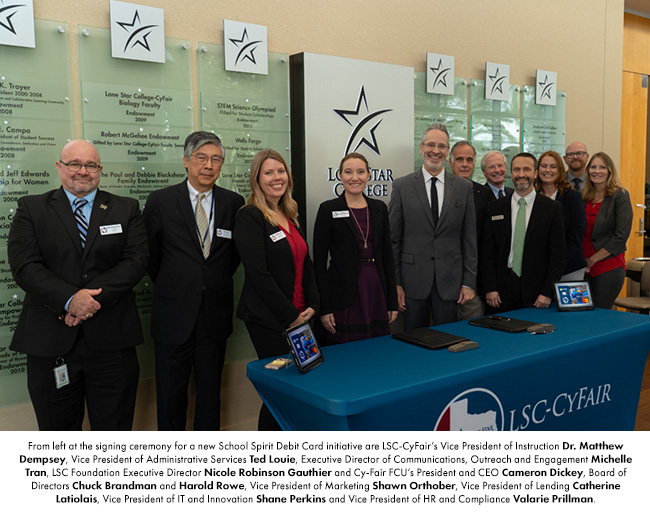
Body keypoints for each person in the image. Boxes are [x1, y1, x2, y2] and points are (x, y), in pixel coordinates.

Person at [7, 140, 148, 430]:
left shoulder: (126, 208)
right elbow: (26, 267)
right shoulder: (32, 208)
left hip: (113, 343)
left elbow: (135, 262)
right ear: (60, 167)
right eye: (74, 164)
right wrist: (70, 299)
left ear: (100, 170)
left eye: (90, 165)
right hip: (50, 342)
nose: (82, 171)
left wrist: (87, 301)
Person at [144, 131, 244, 431]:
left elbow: (233, 256)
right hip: (173, 314)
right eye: (201, 158)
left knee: (210, 395)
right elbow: (150, 256)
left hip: (214, 315)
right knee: (171, 397)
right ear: (186, 161)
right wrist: (179, 284)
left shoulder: (233, 202)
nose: (209, 165)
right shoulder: (161, 201)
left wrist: (209, 280)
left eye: (216, 159)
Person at [234, 149, 318, 430]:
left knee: (299, 387)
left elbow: (305, 261)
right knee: (279, 389)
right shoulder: (250, 216)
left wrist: (313, 304)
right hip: (270, 320)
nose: (276, 178)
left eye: (280, 171)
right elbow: (258, 274)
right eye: (269, 172)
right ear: (257, 178)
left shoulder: (289, 212)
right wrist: (290, 316)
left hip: (300, 316)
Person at [389, 123, 477, 329]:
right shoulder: (402, 186)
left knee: (448, 340)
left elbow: (469, 239)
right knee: (414, 341)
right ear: (421, 148)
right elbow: (393, 239)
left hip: (450, 282)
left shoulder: (464, 188)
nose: (435, 151)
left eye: (442, 146)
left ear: (448, 152)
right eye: (431, 145)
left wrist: (468, 282)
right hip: (412, 282)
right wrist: (396, 283)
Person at [313, 152, 398, 344]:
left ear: (369, 175)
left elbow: (387, 257)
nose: (354, 177)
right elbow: (318, 263)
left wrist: (391, 300)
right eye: (348, 172)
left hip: (375, 289)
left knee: (376, 349)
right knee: (345, 351)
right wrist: (323, 308)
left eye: (360, 172)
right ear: (340, 176)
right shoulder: (328, 209)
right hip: (343, 293)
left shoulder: (379, 208)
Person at [481, 153, 565, 312]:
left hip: (536, 290)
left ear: (535, 173)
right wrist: (490, 288)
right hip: (501, 290)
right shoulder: (495, 207)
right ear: (510, 173)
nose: (521, 175)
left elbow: (557, 256)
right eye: (516, 170)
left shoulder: (552, 209)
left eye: (526, 169)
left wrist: (547, 292)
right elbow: (487, 253)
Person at [581, 152, 633, 309]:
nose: (597, 171)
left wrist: (593, 259)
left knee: (600, 314)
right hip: (582, 267)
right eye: (593, 167)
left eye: (602, 167)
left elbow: (621, 236)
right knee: (582, 313)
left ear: (610, 171)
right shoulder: (583, 196)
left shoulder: (620, 195)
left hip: (608, 266)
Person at [449, 141, 490, 319]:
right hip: (443, 276)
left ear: (474, 164)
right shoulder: (438, 190)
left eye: (469, 160)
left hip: (475, 279)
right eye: (459, 159)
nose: (464, 164)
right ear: (450, 162)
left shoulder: (484, 194)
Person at [534, 150, 587, 281]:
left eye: (553, 166)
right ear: (537, 170)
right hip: (539, 268)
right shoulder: (532, 197)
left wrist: (556, 264)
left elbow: (576, 235)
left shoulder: (572, 196)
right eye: (544, 166)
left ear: (560, 170)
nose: (548, 170)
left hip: (569, 267)